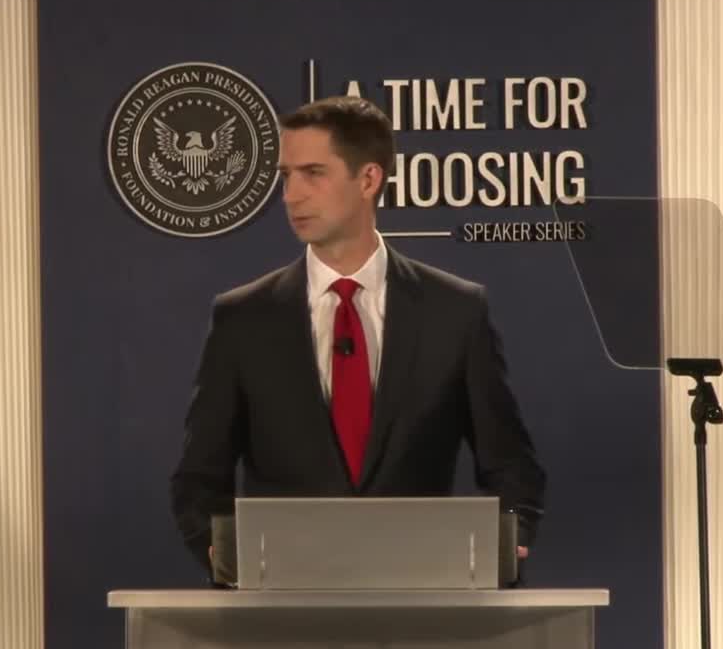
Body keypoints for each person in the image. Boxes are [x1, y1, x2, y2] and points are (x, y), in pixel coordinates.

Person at [170, 96, 545, 580]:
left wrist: (505, 547)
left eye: (313, 173)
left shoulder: (455, 311)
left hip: (423, 596)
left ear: (368, 179)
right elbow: (199, 476)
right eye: (286, 176)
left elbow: (511, 463)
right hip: (282, 608)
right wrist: (229, 562)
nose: (291, 195)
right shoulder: (243, 317)